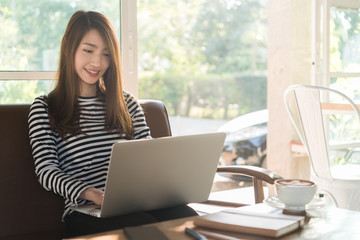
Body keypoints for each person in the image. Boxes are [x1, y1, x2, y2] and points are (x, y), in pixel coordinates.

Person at [28, 10, 197, 237]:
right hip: (85, 211)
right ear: (69, 47)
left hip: (137, 202)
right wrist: (92, 193)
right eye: (88, 50)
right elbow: (46, 171)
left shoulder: (126, 103)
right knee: (145, 228)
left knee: (187, 217)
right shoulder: (45, 108)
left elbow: (149, 152)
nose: (97, 62)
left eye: (106, 54)